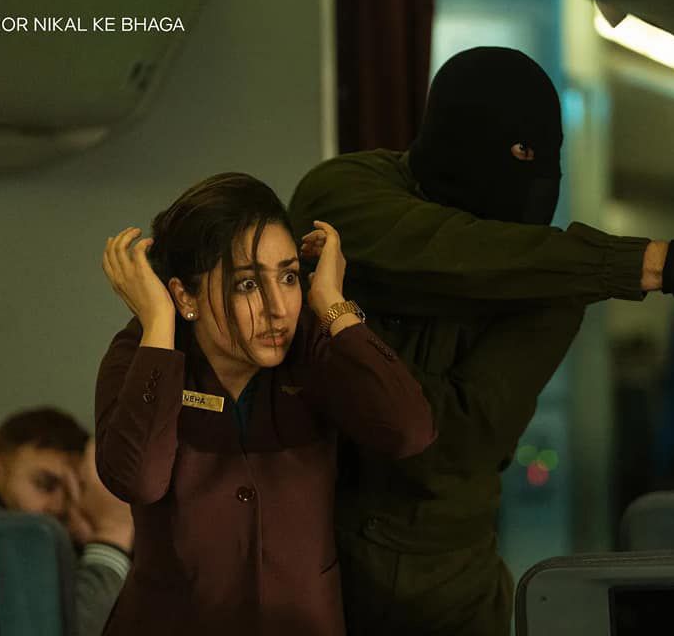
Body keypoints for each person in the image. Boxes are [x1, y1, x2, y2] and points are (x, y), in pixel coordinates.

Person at [288, 47, 674, 635]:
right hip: (299, 560)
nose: (536, 185)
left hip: (436, 592)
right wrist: (662, 264)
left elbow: (451, 443)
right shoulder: (346, 190)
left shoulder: (553, 283)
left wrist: (335, 350)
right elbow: (446, 251)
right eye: (520, 156)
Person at [95, 172, 434, 635]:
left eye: (289, 277)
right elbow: (138, 480)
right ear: (185, 295)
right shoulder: (143, 353)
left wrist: (332, 302)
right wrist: (158, 322)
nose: (278, 308)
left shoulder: (310, 345)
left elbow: (409, 430)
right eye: (247, 285)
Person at [0, 408, 133, 636]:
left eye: (72, 493)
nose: (58, 506)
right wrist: (112, 532)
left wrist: (84, 537)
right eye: (45, 484)